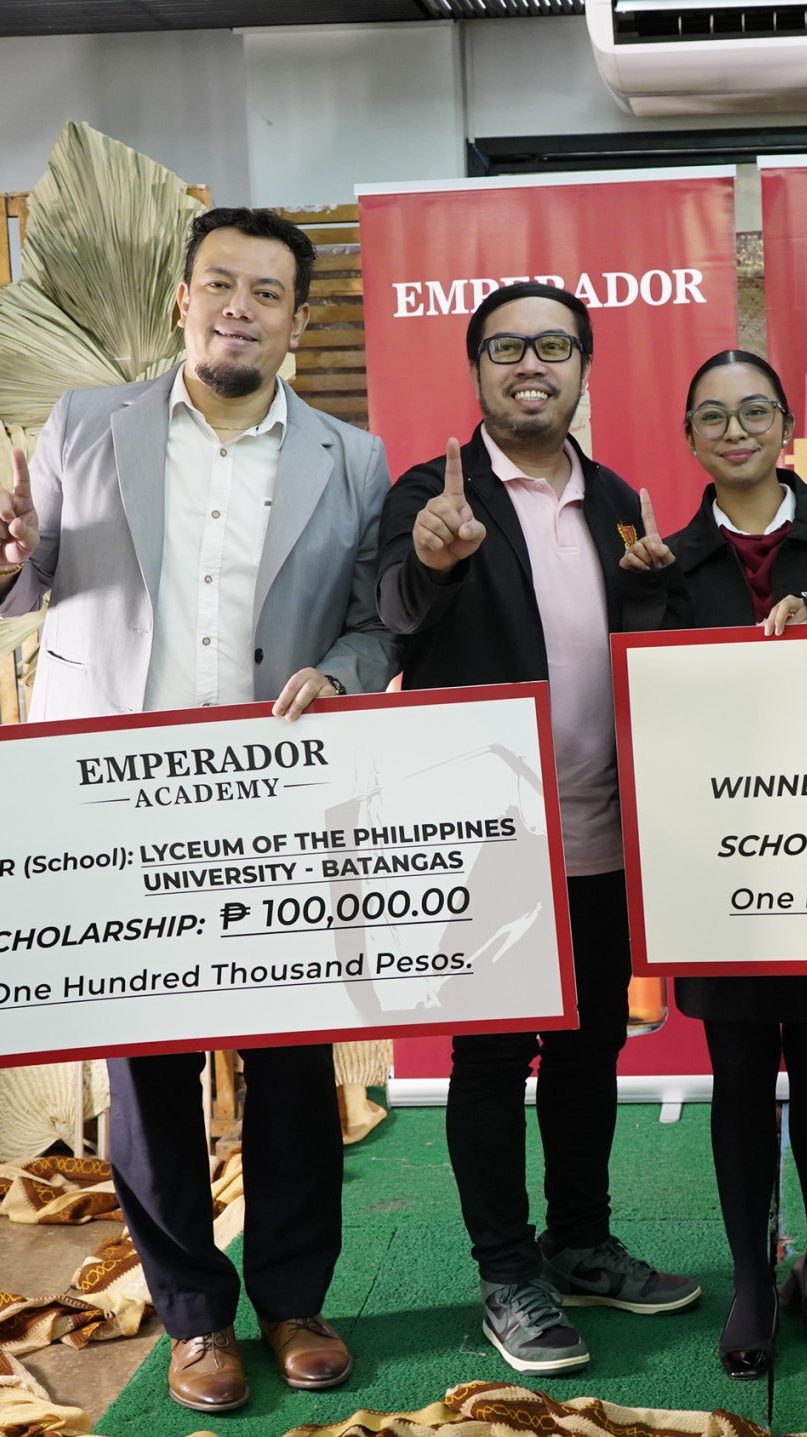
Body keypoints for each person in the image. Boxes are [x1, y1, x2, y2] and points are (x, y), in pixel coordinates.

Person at [0, 206, 397, 1413]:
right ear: (183, 298)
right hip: (119, 794)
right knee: (150, 1072)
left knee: (292, 1059)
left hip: (278, 794)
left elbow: (373, 620)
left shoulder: (353, 457)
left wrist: (345, 674)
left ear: (297, 320)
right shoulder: (85, 424)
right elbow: (27, 578)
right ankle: (192, 1318)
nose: (240, 307)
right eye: (220, 283)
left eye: (267, 292)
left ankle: (294, 1301)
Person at [374, 282, 699, 1378]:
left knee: (591, 1047)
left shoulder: (617, 499)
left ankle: (580, 1243)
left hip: (602, 830)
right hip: (491, 837)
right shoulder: (432, 492)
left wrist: (658, 596)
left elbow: (633, 649)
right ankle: (507, 1273)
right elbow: (392, 614)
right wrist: (433, 559)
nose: (530, 365)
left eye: (553, 346)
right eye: (506, 347)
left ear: (581, 368)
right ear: (476, 370)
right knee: (488, 1058)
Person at [620, 348, 807, 1379]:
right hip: (717, 861)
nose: (735, 429)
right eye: (712, 416)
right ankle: (752, 1278)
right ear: (690, 438)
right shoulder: (661, 560)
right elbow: (649, 711)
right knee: (739, 1072)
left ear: (788, 427)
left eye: (755, 411)